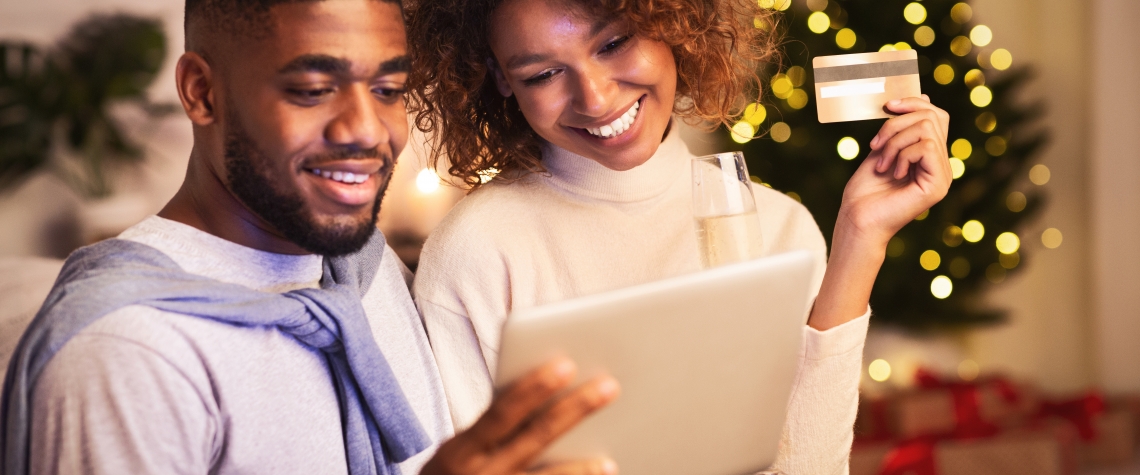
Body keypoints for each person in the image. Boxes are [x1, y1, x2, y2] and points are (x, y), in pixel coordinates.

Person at [0, 1, 621, 474]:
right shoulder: (127, 351)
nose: (365, 130)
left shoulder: (364, 270)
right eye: (311, 90)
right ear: (201, 92)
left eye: (388, 90)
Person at [406, 0, 952, 473]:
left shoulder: (781, 225)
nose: (594, 99)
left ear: (672, 21)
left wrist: (861, 238)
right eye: (542, 75)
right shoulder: (476, 250)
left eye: (614, 42)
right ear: (501, 79)